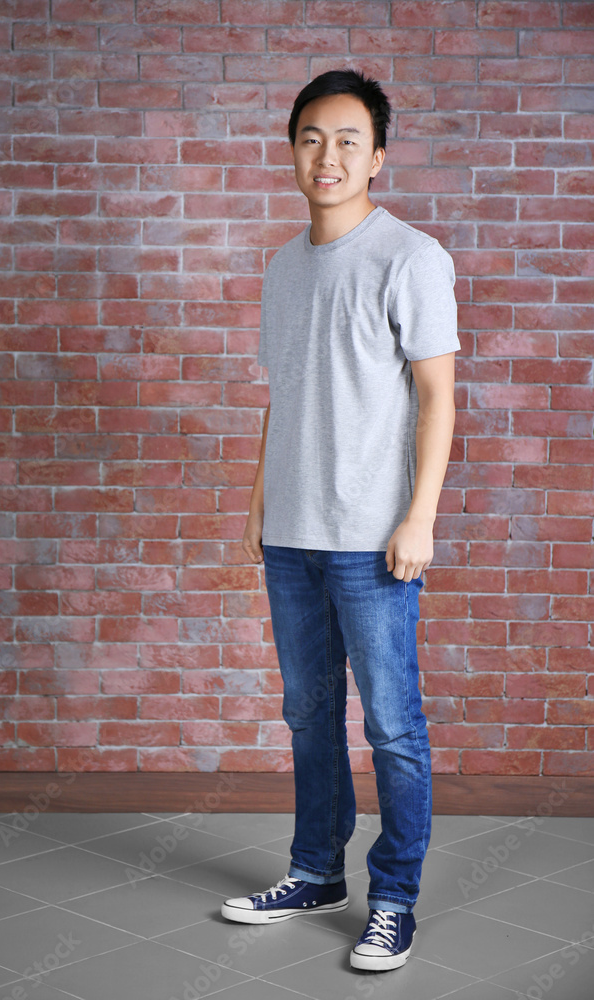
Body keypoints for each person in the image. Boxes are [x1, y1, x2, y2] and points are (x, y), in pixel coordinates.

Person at [222, 68, 460, 973]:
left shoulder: (410, 257)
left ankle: (391, 896)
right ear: (292, 150)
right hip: (291, 537)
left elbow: (436, 397)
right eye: (311, 138)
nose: (327, 156)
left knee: (392, 724)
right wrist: (256, 505)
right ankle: (314, 871)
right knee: (307, 717)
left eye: (347, 141)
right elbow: (287, 397)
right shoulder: (284, 265)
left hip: (373, 541)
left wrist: (419, 518)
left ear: (378, 157)